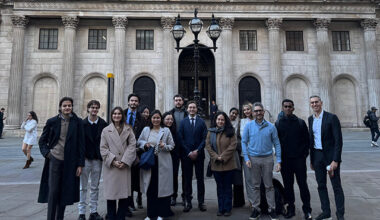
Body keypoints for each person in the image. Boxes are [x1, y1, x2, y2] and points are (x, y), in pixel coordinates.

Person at [38, 97, 85, 220]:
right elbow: (42, 141)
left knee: (64, 191)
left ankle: (60, 218)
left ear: (72, 107)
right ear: (60, 107)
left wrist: (80, 164)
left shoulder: (78, 122)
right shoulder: (52, 121)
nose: (67, 108)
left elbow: (81, 144)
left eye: (69, 105)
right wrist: (48, 154)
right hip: (55, 159)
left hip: (70, 162)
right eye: (65, 106)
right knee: (53, 191)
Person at [241, 102, 281, 220]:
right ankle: (256, 209)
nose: (258, 113)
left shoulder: (271, 126)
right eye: (256, 111)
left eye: (260, 110)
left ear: (263, 112)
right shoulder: (248, 126)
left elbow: (277, 143)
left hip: (268, 159)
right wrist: (247, 158)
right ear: (253, 113)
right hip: (253, 159)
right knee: (255, 185)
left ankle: (271, 209)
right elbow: (243, 142)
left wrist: (278, 160)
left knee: (269, 185)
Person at [308, 95, 345, 220]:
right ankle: (326, 212)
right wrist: (312, 160)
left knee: (336, 186)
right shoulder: (310, 119)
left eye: (316, 102)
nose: (314, 104)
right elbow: (311, 140)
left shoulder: (331, 118)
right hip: (317, 156)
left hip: (330, 156)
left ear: (321, 103)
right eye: (312, 103)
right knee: (321, 185)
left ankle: (340, 214)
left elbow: (338, 141)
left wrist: (336, 160)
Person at [275, 99, 312, 219]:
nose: (287, 108)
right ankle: (291, 208)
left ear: (293, 108)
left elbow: (307, 141)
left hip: (299, 160)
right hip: (286, 161)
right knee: (288, 186)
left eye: (289, 106)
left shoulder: (301, 123)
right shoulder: (278, 124)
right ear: (282, 108)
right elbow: (277, 142)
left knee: (303, 185)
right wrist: (280, 159)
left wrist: (303, 155)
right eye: (285, 106)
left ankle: (307, 209)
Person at [100, 106, 136, 220]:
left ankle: (121, 217)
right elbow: (103, 148)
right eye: (114, 113)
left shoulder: (128, 129)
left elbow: (132, 146)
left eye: (119, 114)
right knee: (111, 195)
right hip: (111, 166)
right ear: (111, 115)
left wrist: (125, 161)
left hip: (124, 166)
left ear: (122, 115)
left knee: (123, 196)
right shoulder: (106, 130)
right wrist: (113, 161)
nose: (117, 115)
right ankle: (111, 217)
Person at [138, 110, 175, 220]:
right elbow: (139, 142)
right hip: (150, 163)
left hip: (163, 163)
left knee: (162, 189)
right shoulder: (146, 130)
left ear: (161, 119)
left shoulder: (166, 130)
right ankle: (150, 214)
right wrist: (145, 144)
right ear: (150, 119)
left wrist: (164, 146)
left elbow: (172, 145)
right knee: (151, 189)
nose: (156, 120)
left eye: (158, 118)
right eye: (154, 117)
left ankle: (161, 214)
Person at [78, 100, 108, 220]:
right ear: (88, 109)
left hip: (97, 159)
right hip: (85, 159)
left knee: (95, 187)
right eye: (92, 108)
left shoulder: (103, 124)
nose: (94, 110)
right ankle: (81, 213)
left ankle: (93, 211)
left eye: (96, 108)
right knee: (82, 187)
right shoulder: (82, 124)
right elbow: (79, 144)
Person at [178, 101, 208, 212]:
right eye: (190, 107)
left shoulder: (201, 122)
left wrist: (197, 150)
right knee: (187, 179)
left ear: (196, 109)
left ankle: (201, 202)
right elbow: (180, 138)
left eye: (194, 107)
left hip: (199, 155)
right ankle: (188, 202)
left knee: (200, 179)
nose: (191, 109)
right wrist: (189, 152)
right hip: (187, 155)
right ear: (187, 109)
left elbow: (205, 138)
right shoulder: (183, 122)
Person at [206, 111, 237, 216]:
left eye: (222, 119)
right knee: (220, 187)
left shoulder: (230, 131)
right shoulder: (211, 132)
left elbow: (233, 145)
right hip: (216, 165)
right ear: (215, 120)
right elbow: (208, 146)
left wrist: (222, 157)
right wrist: (216, 157)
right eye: (218, 119)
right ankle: (221, 208)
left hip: (229, 164)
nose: (220, 121)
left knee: (228, 187)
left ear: (225, 121)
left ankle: (228, 208)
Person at [124, 93, 145, 211]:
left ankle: (131, 201)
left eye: (136, 101)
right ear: (128, 102)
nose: (133, 103)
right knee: (123, 178)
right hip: (122, 151)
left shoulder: (142, 118)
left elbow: (142, 135)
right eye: (132, 101)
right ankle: (125, 203)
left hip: (136, 152)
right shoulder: (120, 114)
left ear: (138, 103)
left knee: (133, 178)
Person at [168, 94, 188, 206]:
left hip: (184, 147)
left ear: (183, 101)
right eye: (176, 100)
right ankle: (173, 195)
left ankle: (185, 196)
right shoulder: (170, 113)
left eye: (180, 100)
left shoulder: (187, 113)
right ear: (174, 101)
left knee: (185, 173)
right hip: (173, 147)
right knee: (173, 173)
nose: (178, 102)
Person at [162, 111, 182, 207]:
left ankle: (173, 196)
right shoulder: (161, 130)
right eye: (167, 119)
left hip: (173, 158)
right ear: (163, 120)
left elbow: (177, 145)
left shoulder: (175, 131)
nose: (169, 121)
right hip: (162, 158)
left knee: (173, 177)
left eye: (171, 119)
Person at [238, 103, 254, 207]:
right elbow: (243, 135)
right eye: (244, 110)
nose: (246, 111)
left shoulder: (257, 120)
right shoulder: (242, 121)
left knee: (257, 178)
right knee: (248, 178)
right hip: (246, 154)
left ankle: (260, 198)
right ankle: (252, 200)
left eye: (248, 109)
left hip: (258, 153)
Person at [228, 107, 245, 208]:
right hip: (227, 153)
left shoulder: (240, 124)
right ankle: (229, 200)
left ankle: (239, 201)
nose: (233, 115)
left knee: (238, 176)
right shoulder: (225, 123)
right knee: (228, 177)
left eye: (236, 114)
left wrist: (235, 145)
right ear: (229, 113)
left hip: (237, 153)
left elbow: (241, 138)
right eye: (232, 113)